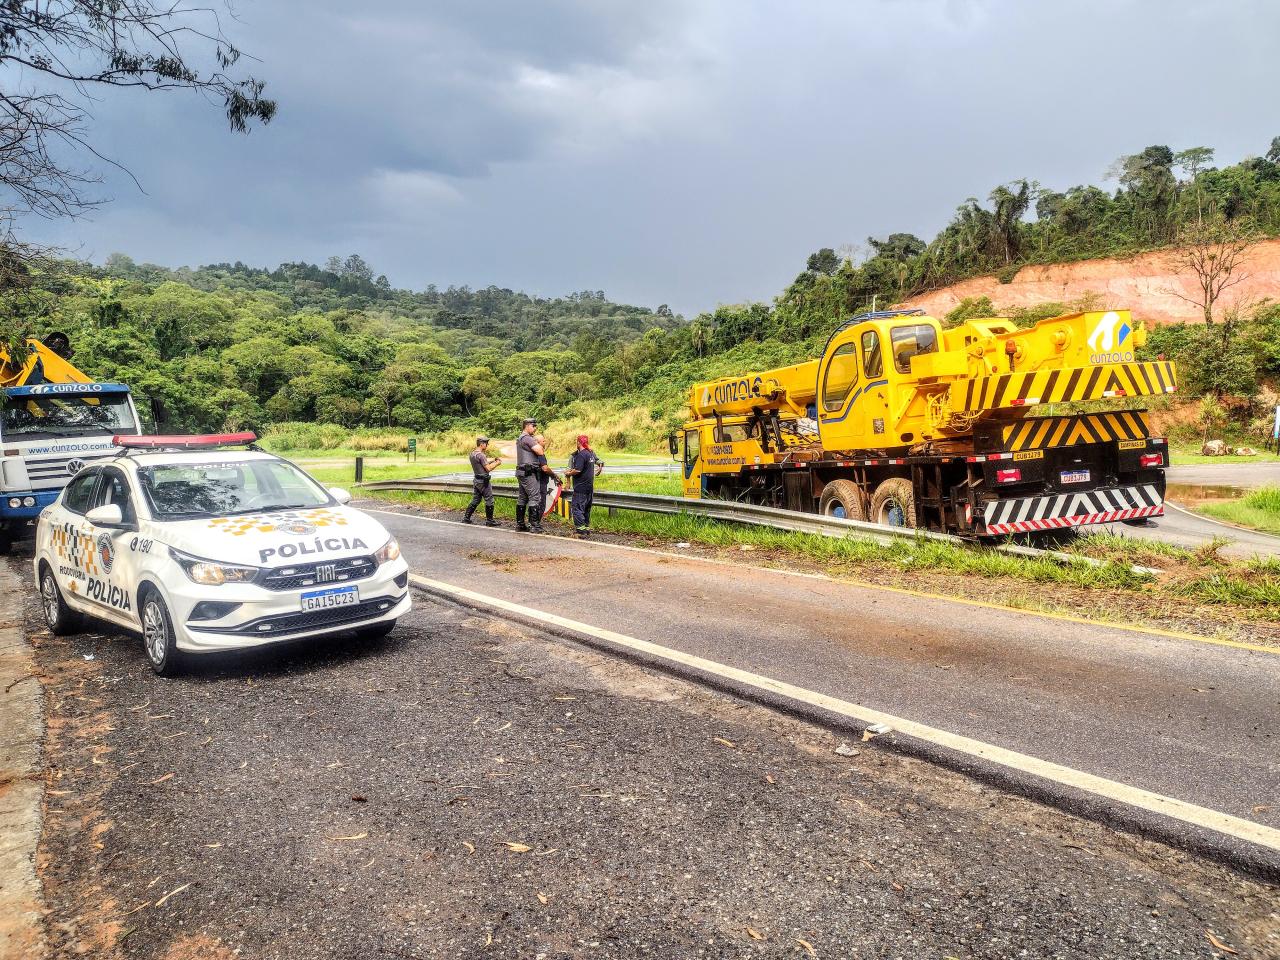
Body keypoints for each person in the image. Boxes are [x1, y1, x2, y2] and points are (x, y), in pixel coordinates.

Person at [566, 433, 603, 536]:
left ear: (578, 443)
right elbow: (598, 461)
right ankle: (586, 529)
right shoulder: (590, 454)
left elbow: (577, 470)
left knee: (577, 509)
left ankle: (581, 530)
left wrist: (568, 473)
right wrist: (600, 467)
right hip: (589, 488)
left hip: (580, 488)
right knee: (586, 509)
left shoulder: (581, 455)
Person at [463, 436, 501, 526]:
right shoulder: (481, 455)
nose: (487, 445)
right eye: (486, 444)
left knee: (476, 499)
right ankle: (490, 521)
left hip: (476, 480)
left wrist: (492, 461)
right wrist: (497, 463)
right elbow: (488, 468)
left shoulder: (472, 454)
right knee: (490, 500)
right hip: (484, 482)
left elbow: (481, 464)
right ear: (481, 444)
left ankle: (466, 518)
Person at [514, 417, 542, 532]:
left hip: (521, 472)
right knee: (534, 497)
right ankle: (534, 525)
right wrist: (538, 443)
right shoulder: (528, 438)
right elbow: (540, 451)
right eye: (533, 426)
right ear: (527, 426)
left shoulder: (520, 438)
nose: (535, 428)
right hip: (528, 472)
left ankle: (520, 524)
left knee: (523, 498)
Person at [531, 433, 561, 533]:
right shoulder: (540, 454)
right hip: (541, 482)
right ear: (538, 443)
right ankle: (536, 524)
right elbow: (545, 468)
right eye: (543, 441)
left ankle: (532, 523)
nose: (545, 442)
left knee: (533, 502)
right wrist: (554, 475)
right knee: (541, 503)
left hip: (534, 481)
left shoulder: (532, 454)